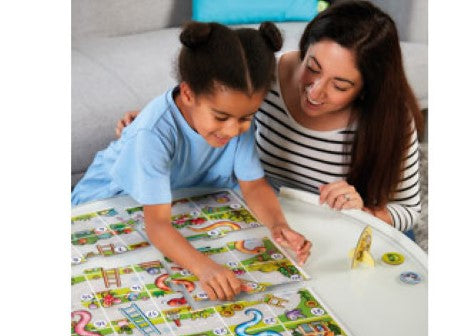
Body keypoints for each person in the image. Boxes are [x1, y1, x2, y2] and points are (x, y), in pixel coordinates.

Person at [115, 0, 424, 235]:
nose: (315, 93)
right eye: (312, 68)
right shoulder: (265, 78)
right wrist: (156, 115)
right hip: (268, 209)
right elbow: (209, 91)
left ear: (368, 87)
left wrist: (362, 210)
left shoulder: (391, 118)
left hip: (339, 225)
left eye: (340, 85)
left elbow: (410, 212)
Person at [72, 21, 312, 301]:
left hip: (184, 197)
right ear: (188, 94)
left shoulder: (234, 115)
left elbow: (254, 184)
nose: (233, 131)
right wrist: (205, 269)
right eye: (221, 117)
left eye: (245, 118)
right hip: (117, 200)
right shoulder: (153, 132)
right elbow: (158, 225)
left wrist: (279, 225)